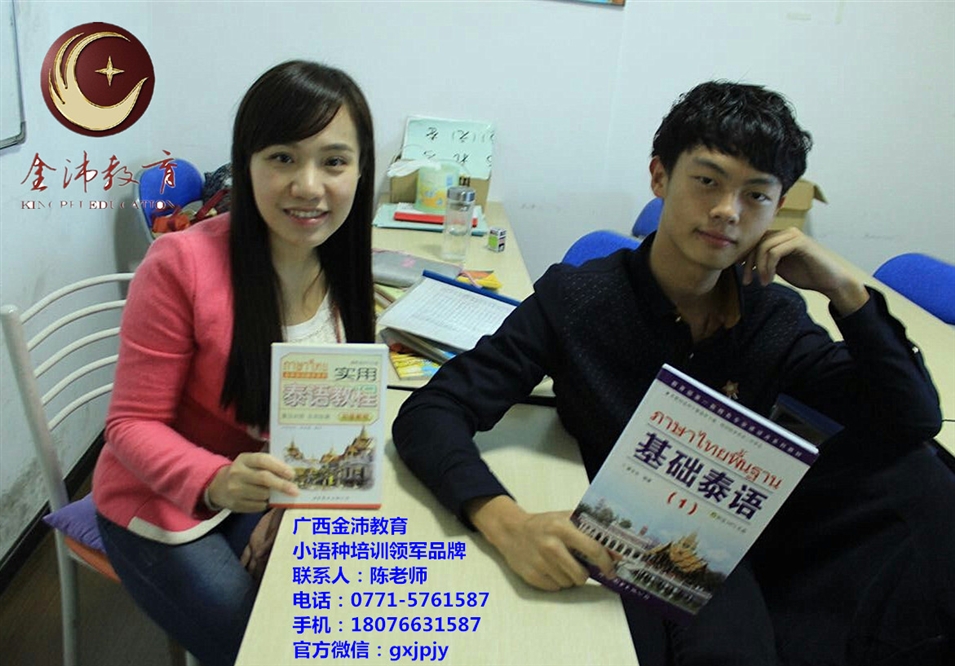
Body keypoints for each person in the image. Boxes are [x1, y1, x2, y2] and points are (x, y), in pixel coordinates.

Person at [393, 81, 954, 665]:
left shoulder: (772, 316)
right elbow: (432, 410)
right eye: (707, 181)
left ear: (779, 208)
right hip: (632, 537)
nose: (728, 211)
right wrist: (506, 523)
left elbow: (912, 421)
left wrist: (846, 293)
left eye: (756, 195)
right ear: (660, 176)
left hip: (753, 542)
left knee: (923, 486)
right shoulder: (579, 301)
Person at [93, 60, 376, 666]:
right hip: (161, 494)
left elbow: (326, 421)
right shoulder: (180, 264)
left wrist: (288, 507)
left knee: (343, 621)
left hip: (270, 488)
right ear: (245, 164)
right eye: (282, 158)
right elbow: (129, 424)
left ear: (360, 170)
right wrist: (217, 480)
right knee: (264, 643)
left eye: (333, 161)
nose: (308, 186)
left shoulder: (345, 260)